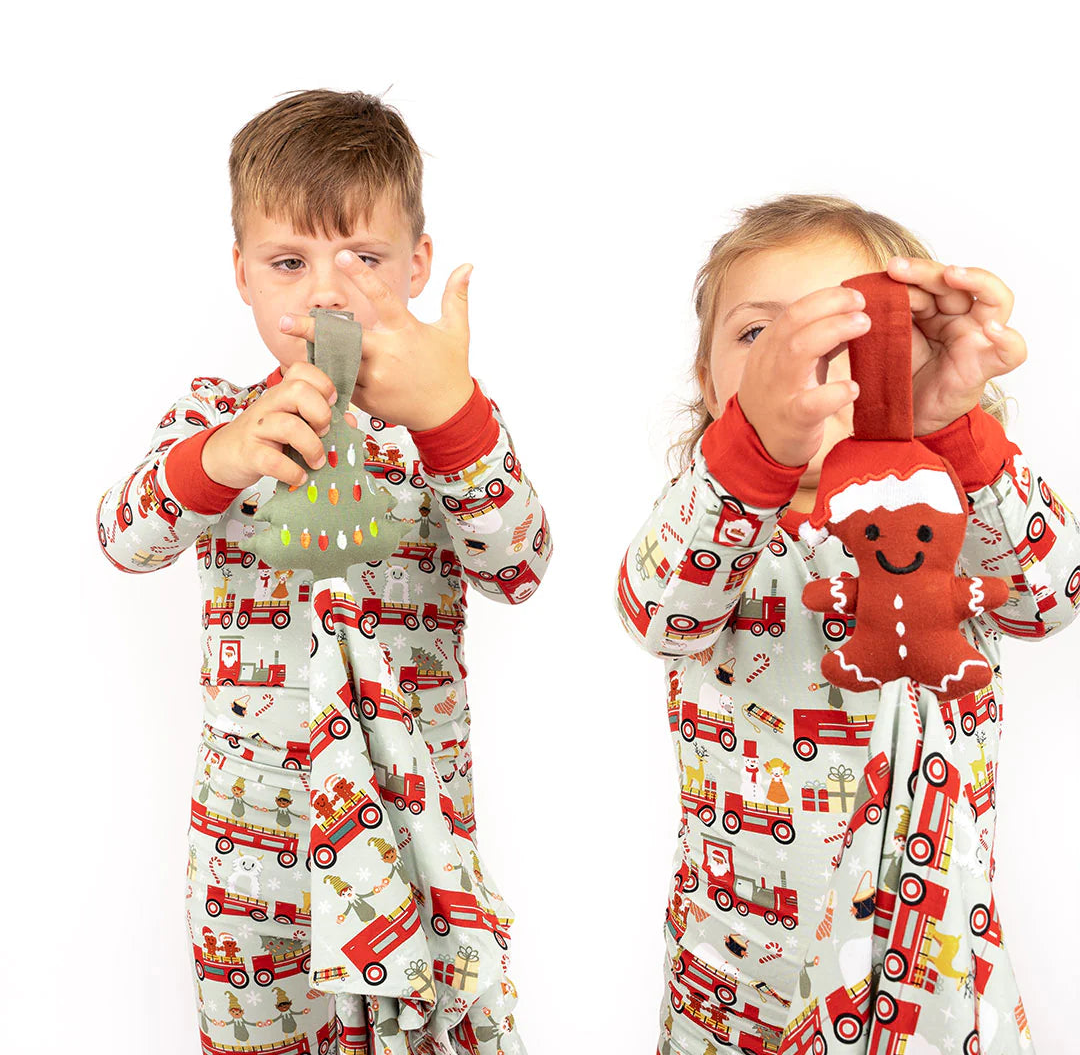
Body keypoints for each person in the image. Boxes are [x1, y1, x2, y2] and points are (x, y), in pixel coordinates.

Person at [96, 88, 552, 1054]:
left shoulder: (444, 427)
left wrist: (451, 416)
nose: (325, 292)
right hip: (251, 849)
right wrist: (219, 459)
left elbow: (520, 566)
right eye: (289, 262)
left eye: (365, 259)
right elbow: (124, 537)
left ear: (417, 265)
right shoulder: (217, 415)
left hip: (410, 828)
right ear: (242, 274)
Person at [613, 193, 1078, 1054]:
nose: (808, 366)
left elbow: (1050, 597)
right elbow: (660, 614)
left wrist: (956, 433)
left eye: (845, 338)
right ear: (711, 387)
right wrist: (751, 459)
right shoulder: (715, 525)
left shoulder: (954, 512)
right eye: (760, 336)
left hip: (932, 952)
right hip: (745, 974)